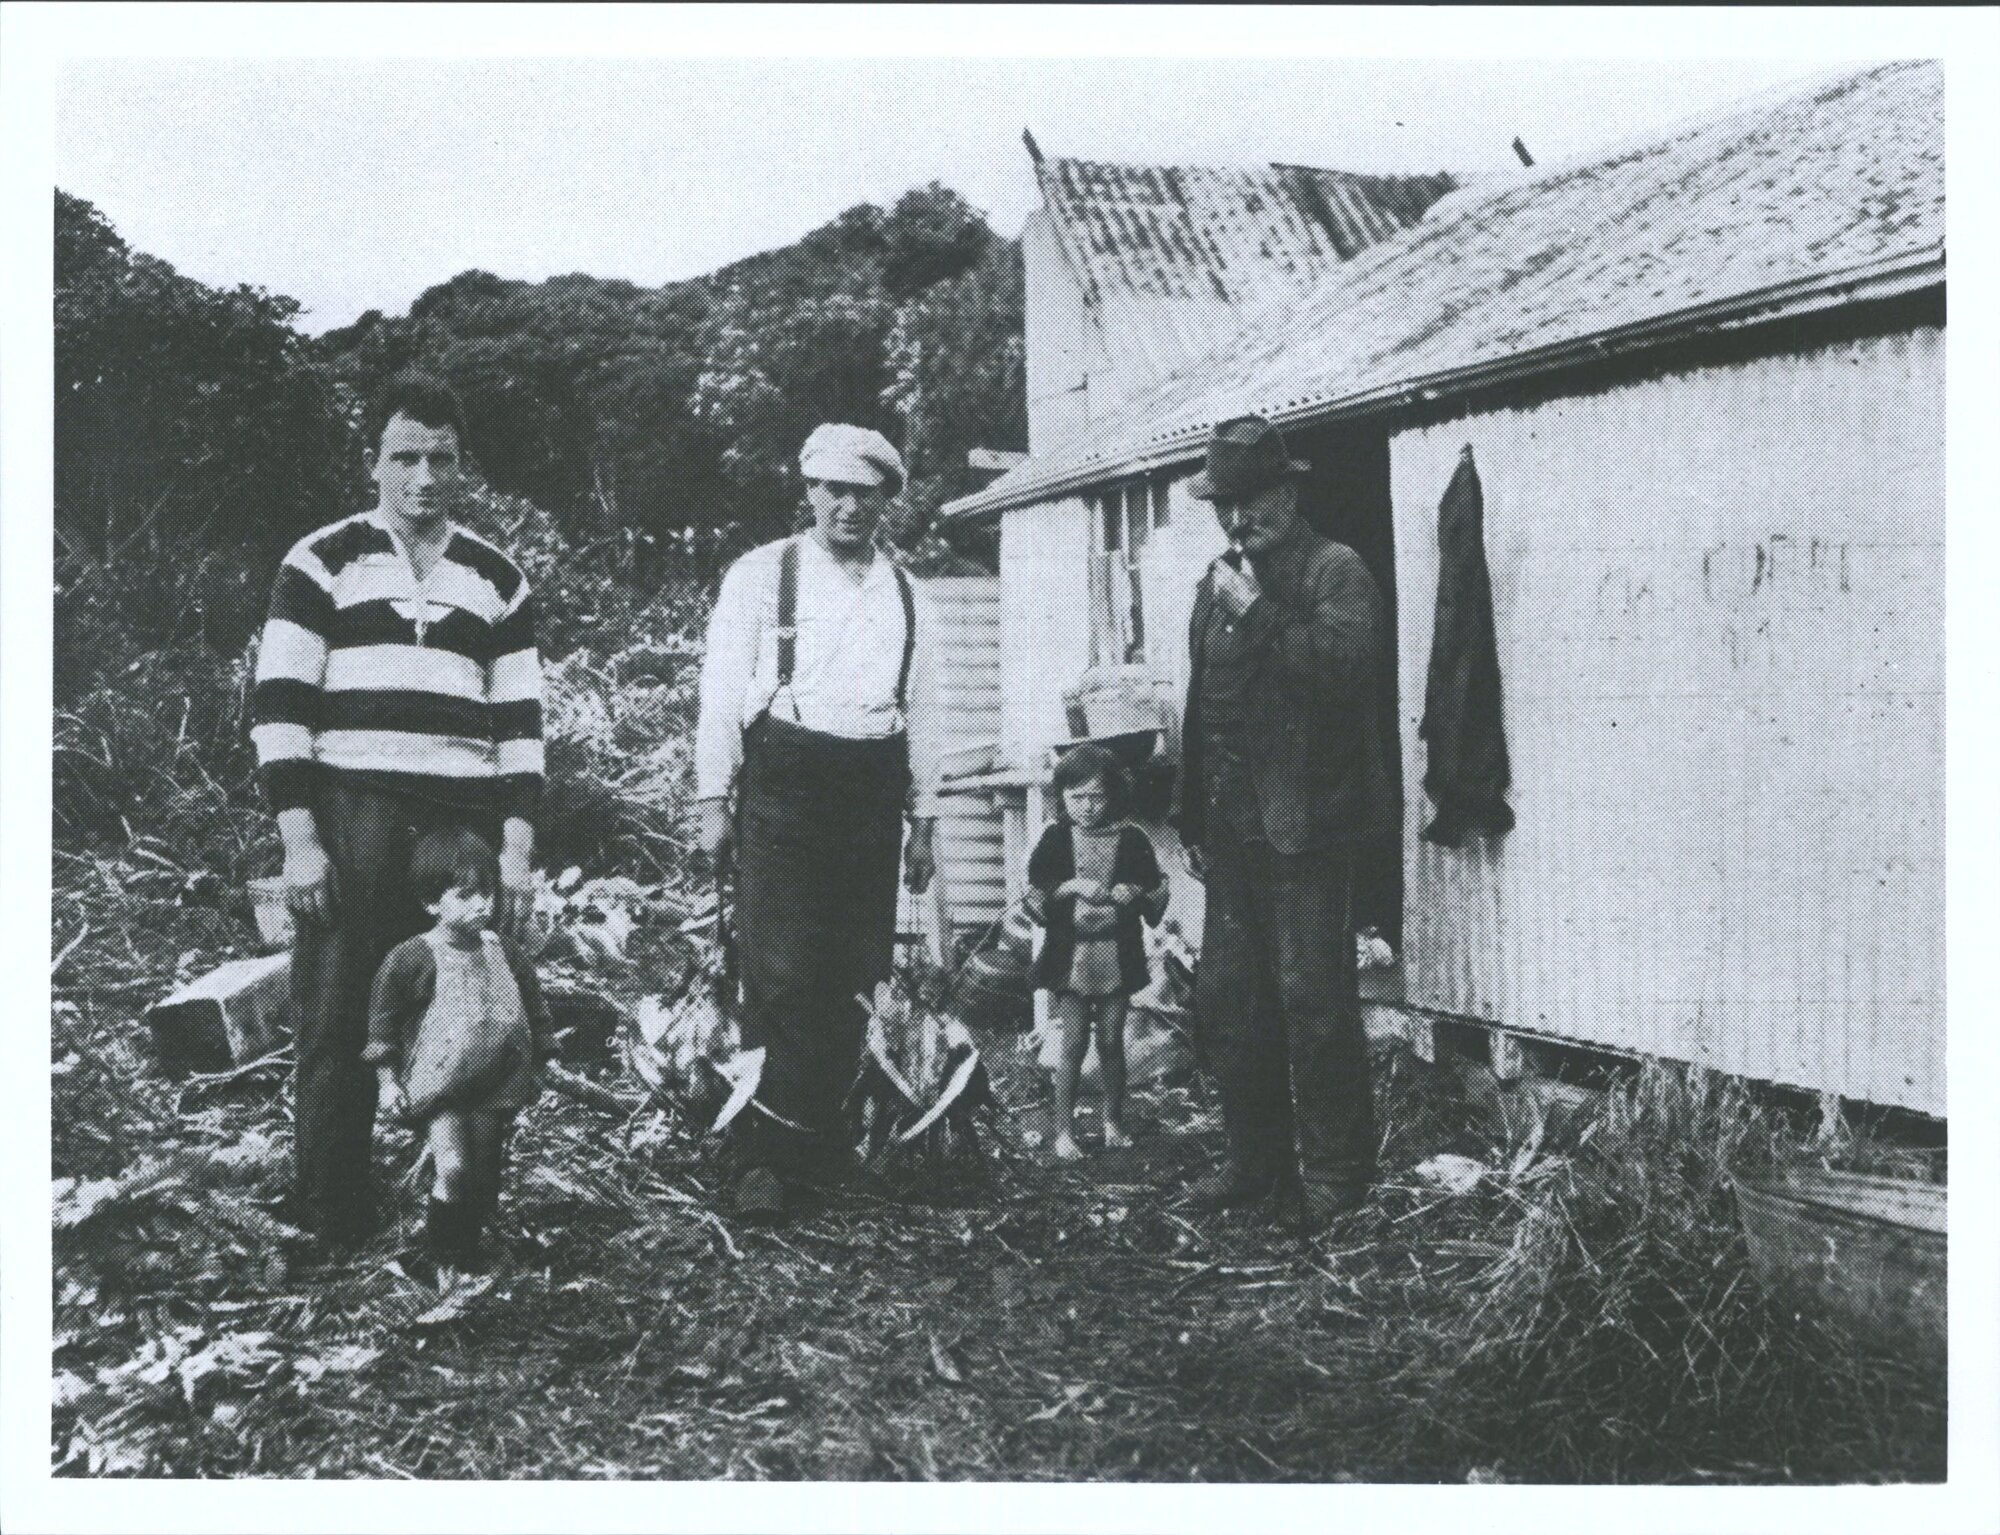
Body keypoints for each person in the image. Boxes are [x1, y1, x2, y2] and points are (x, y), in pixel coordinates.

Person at [250, 371, 543, 1252]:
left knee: (474, 1008)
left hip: (461, 821)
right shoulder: (323, 559)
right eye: (404, 456)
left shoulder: (497, 577)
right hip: (353, 811)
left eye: (441, 458)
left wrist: (517, 848)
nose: (423, 476)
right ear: (374, 460)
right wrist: (301, 838)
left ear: (461, 465)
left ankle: (457, 1213)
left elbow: (522, 726)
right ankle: (331, 1208)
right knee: (337, 1009)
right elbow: (281, 706)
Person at [692, 423, 940, 1221]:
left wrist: (925, 816)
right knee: (782, 970)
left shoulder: (909, 593)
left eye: (865, 493)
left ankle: (827, 1147)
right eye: (833, 489)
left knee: (854, 970)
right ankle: (762, 1158)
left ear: (885, 501)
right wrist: (711, 799)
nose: (848, 506)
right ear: (809, 492)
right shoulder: (763, 576)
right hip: (785, 786)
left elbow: (925, 711)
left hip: (872, 789)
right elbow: (722, 689)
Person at [1170, 414, 1395, 1235]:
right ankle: (1252, 1161)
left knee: (1313, 999)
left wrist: (1261, 611)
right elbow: (1204, 705)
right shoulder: (1216, 581)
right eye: (1223, 506)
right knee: (1231, 999)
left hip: (1310, 826)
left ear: (1288, 491)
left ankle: (1337, 1173)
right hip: (1232, 830)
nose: (1238, 520)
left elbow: (1342, 675)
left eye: (1252, 501)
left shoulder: (1338, 572)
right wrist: (1191, 813)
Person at [366, 829, 552, 1274]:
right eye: (465, 895)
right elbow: (383, 1025)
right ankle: (442, 1257)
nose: (482, 905)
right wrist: (388, 1083)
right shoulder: (412, 958)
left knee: (484, 1172)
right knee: (453, 1167)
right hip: (440, 1083)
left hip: (495, 1080)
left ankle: (471, 1246)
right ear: (432, 902)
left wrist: (542, 1061)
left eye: (487, 892)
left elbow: (534, 1003)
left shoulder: (504, 950)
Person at [1025, 745, 1169, 1161]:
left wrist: (1133, 892)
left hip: (1116, 956)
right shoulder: (1055, 839)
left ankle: (1113, 1122)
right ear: (1062, 797)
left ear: (1114, 797)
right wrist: (1070, 887)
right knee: (1072, 1042)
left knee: (1110, 1040)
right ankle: (1063, 1132)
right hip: (1070, 957)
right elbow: (1037, 891)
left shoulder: (1131, 839)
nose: (1087, 808)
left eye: (1097, 797)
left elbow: (1153, 889)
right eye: (1076, 797)